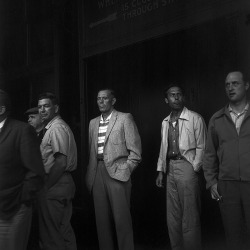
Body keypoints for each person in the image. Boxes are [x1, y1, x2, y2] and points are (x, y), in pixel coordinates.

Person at [86, 88, 142, 250]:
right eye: (98, 99)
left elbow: (136, 151)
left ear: (113, 101)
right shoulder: (93, 122)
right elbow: (91, 150)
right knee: (101, 221)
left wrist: (126, 169)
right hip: (97, 172)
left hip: (118, 173)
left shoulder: (124, 118)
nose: (101, 102)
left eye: (105, 98)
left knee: (121, 219)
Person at [156, 84, 207, 250]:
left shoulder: (195, 118)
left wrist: (195, 167)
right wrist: (161, 172)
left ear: (183, 97)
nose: (176, 97)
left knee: (190, 217)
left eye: (179, 94)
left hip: (187, 166)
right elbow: (163, 148)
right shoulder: (165, 122)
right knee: (173, 216)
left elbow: (202, 146)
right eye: (172, 95)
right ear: (166, 100)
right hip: (170, 168)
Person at [203, 71, 250, 250]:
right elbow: (209, 154)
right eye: (227, 84)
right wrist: (211, 182)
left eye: (235, 83)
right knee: (233, 235)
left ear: (246, 85)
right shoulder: (217, 119)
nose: (230, 88)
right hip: (227, 185)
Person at [0, 89, 45, 250]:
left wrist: (21, 200)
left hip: (13, 210)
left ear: (1, 109)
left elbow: (36, 172)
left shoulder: (21, 130)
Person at [37, 92, 77, 250]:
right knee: (63, 230)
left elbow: (60, 162)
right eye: (40, 107)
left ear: (56, 108)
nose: (42, 110)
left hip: (56, 183)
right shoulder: (54, 127)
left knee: (51, 236)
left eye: (46, 106)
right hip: (62, 183)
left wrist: (46, 188)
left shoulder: (56, 128)